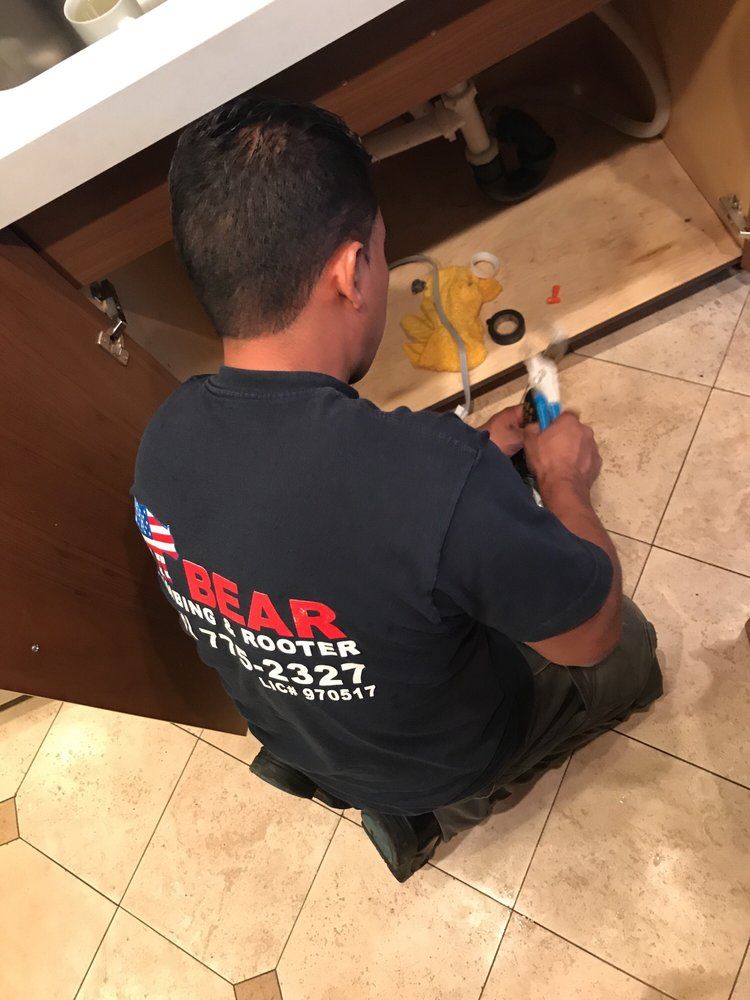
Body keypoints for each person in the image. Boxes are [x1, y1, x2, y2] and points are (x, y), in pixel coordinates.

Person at [133, 95, 662, 881]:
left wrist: (458, 477)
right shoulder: (435, 480)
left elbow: (325, 529)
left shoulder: (162, 442)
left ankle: (392, 800)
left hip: (312, 746)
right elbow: (588, 633)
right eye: (380, 251)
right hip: (446, 754)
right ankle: (445, 804)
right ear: (351, 272)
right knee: (632, 648)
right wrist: (562, 484)